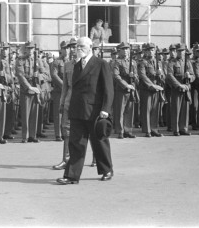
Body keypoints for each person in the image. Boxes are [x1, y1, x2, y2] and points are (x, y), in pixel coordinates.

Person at [56, 37, 114, 185]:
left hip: (95, 111)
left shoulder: (101, 64)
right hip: (77, 111)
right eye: (77, 47)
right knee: (76, 144)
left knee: (99, 143)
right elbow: (73, 89)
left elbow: (108, 89)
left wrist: (105, 109)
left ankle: (107, 170)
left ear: (90, 48)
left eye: (82, 46)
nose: (78, 49)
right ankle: (71, 176)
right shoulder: (75, 66)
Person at [52, 39, 77, 170]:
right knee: (66, 131)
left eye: (74, 47)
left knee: (87, 131)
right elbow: (65, 87)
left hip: (82, 101)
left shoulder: (87, 64)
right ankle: (65, 159)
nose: (72, 49)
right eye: (70, 47)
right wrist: (62, 103)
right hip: (68, 99)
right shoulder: (67, 65)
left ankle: (96, 159)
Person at [166, 43, 195, 136]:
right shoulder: (172, 62)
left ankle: (183, 128)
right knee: (176, 109)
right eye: (178, 51)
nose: (180, 53)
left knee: (185, 110)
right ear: (176, 52)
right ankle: (176, 129)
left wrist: (189, 77)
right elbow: (170, 75)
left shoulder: (187, 62)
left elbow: (193, 75)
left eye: (182, 51)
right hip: (176, 89)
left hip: (186, 88)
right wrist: (179, 85)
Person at [15, 41, 41, 143]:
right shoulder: (20, 60)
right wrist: (29, 87)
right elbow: (20, 75)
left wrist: (37, 76)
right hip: (26, 89)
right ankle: (24, 136)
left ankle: (32, 135)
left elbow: (44, 73)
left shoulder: (36, 60)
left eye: (32, 48)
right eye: (28, 48)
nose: (30, 50)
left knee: (34, 114)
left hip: (35, 88)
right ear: (25, 49)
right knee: (26, 114)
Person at [137, 43, 164, 137]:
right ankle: (147, 130)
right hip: (147, 88)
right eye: (149, 50)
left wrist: (160, 75)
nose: (151, 52)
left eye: (152, 50)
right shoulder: (142, 62)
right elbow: (142, 75)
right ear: (145, 51)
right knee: (146, 109)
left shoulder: (157, 62)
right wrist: (152, 85)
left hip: (156, 88)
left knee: (155, 109)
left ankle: (154, 129)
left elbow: (163, 75)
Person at [112, 42, 138, 139]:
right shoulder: (118, 62)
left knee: (129, 110)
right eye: (124, 49)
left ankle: (128, 130)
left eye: (127, 49)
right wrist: (126, 84)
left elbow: (137, 76)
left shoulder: (133, 62)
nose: (126, 51)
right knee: (120, 111)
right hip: (121, 90)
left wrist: (133, 76)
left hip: (131, 89)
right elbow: (116, 75)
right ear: (120, 51)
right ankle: (120, 131)